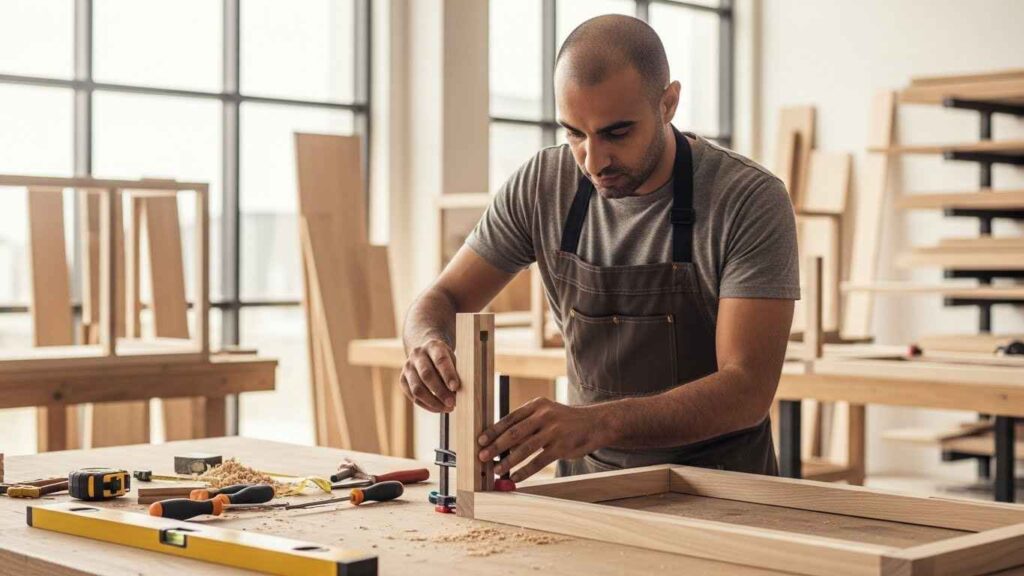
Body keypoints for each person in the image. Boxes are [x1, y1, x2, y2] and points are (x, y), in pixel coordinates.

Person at [401, 14, 799, 481]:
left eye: (616, 132)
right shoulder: (543, 186)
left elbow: (746, 391)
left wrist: (598, 422)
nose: (593, 160)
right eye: (573, 133)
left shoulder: (747, 199)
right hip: (590, 486)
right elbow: (441, 299)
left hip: (721, 491)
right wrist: (424, 343)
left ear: (668, 103)